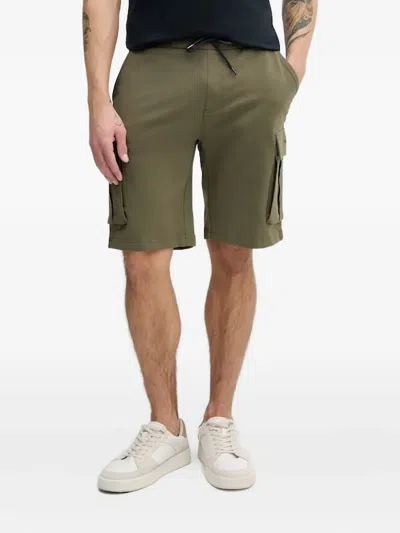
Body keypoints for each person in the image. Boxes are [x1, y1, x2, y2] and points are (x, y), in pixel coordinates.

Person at [83, 0, 317, 492]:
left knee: (235, 251)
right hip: (152, 71)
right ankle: (165, 427)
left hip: (250, 70)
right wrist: (98, 99)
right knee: (142, 254)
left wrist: (292, 69)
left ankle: (219, 419)